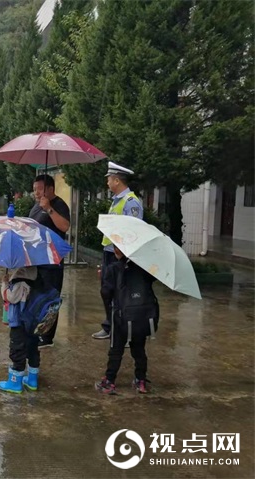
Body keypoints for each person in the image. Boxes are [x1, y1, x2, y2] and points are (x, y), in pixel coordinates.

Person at [95, 246, 159, 395]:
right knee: (139, 349)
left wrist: (103, 279)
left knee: (116, 350)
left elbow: (106, 292)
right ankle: (140, 380)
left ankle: (109, 381)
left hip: (121, 318)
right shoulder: (144, 268)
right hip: (142, 317)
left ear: (118, 251)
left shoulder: (113, 269)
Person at [92, 161, 144, 340]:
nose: (107, 183)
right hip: (109, 252)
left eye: (109, 179)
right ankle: (110, 326)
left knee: (122, 295)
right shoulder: (116, 202)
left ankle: (127, 332)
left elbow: (134, 231)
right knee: (107, 290)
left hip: (121, 255)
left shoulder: (131, 202)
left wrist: (124, 254)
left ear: (116, 180)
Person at [28, 174, 70, 349]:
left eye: (40, 189)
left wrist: (49, 209)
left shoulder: (59, 205)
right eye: (34, 189)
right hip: (37, 260)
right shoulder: (37, 206)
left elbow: (65, 226)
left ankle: (47, 337)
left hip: (52, 262)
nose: (36, 192)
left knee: (50, 298)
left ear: (50, 189)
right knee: (36, 297)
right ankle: (37, 331)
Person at [0, 266, 39, 394]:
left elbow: (10, 298)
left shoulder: (20, 278)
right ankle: (32, 380)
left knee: (17, 349)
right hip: (33, 321)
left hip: (19, 321)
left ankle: (15, 382)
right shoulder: (37, 276)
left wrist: (5, 283)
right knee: (32, 348)